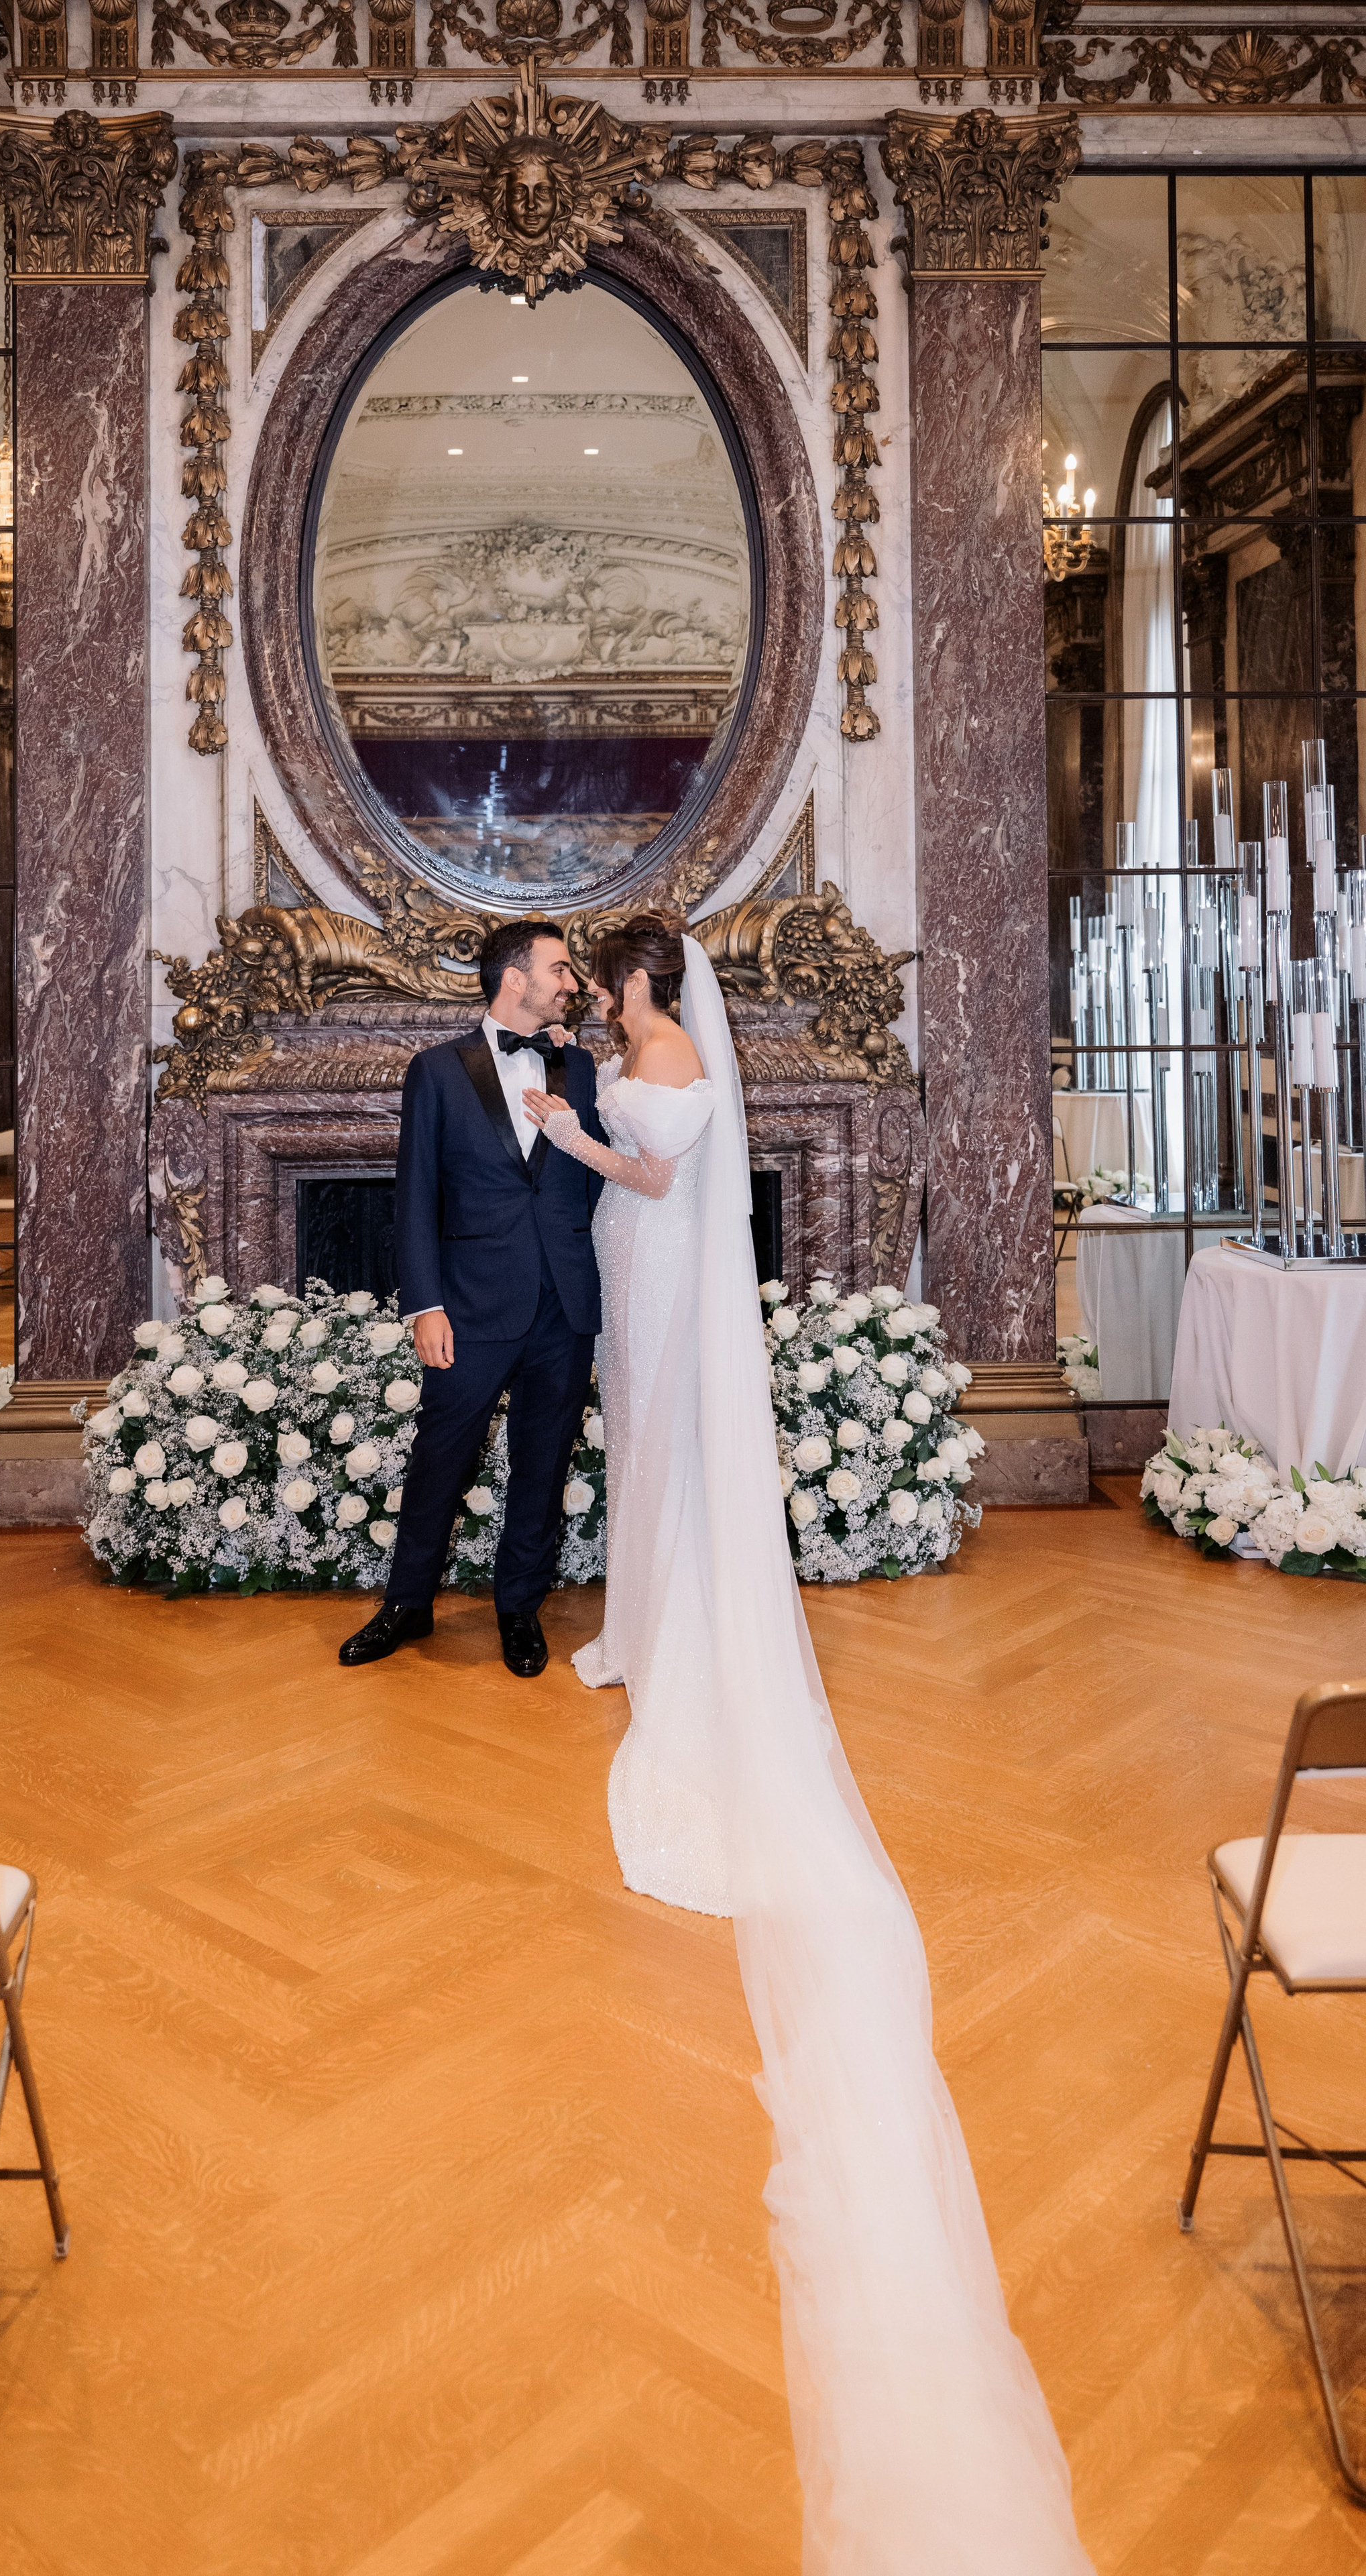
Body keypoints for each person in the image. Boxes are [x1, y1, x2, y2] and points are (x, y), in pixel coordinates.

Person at [524, 915, 1096, 2576]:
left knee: (673, 1464)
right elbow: (625, 1127)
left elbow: (654, 1179)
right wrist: (578, 1091)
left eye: (611, 986)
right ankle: (638, 1623)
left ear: (634, 985)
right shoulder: (636, 1050)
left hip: (662, 1282)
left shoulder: (676, 1063)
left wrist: (572, 1132)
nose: (612, 1005)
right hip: (638, 1301)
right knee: (636, 1465)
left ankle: (678, 1638)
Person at [337, 919, 608, 1679]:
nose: (574, 982)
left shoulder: (581, 1070)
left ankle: (518, 1608)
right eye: (560, 968)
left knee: (543, 1462)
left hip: (563, 1302)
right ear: (513, 978)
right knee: (440, 1458)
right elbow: (416, 1195)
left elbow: (599, 1183)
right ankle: (406, 1603)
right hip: (468, 1305)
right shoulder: (437, 1069)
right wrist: (424, 1305)